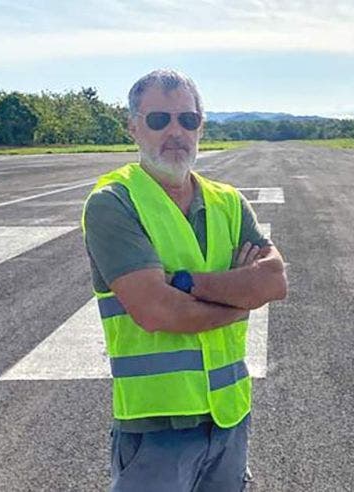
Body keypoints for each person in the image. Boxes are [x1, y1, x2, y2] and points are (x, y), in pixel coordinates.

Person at [80, 69, 288, 491]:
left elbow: (273, 282)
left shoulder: (228, 201)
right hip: (156, 428)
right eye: (159, 120)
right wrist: (239, 294)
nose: (175, 132)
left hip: (229, 418)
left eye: (187, 120)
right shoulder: (114, 202)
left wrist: (188, 283)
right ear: (133, 127)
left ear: (201, 127)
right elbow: (157, 311)